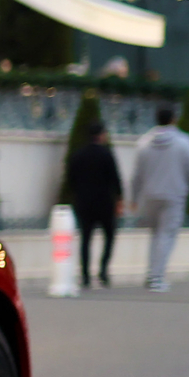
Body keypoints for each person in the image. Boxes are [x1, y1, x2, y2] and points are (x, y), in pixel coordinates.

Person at [131, 103, 189, 292]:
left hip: (150, 196)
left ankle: (152, 274)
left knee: (155, 235)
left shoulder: (144, 142)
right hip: (174, 196)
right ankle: (156, 278)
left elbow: (136, 175)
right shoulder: (185, 142)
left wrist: (134, 197)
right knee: (166, 236)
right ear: (174, 119)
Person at [65, 121, 122, 290]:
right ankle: (103, 271)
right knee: (109, 236)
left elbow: (70, 179)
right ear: (102, 135)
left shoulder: (78, 154)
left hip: (83, 202)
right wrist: (119, 199)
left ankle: (85, 275)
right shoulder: (107, 154)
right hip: (104, 202)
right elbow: (115, 178)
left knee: (86, 238)